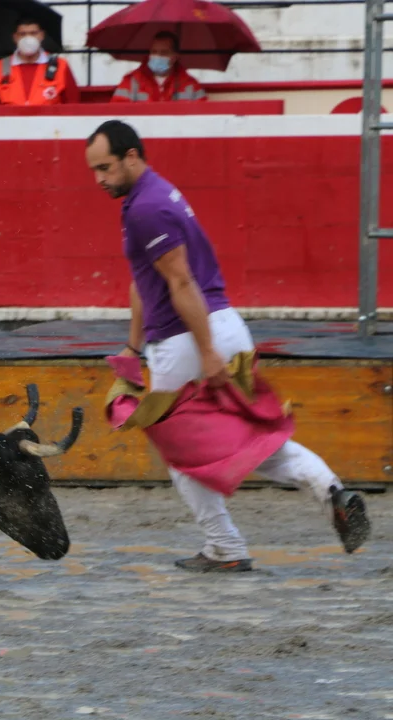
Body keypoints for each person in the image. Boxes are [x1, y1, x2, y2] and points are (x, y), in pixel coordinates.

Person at [84, 119, 370, 572]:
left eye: (105, 167)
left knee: (181, 451)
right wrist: (133, 349)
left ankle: (225, 548)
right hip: (226, 326)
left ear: (131, 157)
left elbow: (180, 282)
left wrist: (205, 352)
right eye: (95, 170)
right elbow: (144, 280)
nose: (99, 179)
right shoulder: (158, 195)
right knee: (254, 437)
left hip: (187, 338)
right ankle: (332, 489)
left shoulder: (145, 208)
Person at [0, 18, 79, 106]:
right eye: (22, 34)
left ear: (42, 35)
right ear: (15, 37)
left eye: (33, 33)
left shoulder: (60, 65)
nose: (28, 38)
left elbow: (73, 105)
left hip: (48, 118)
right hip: (10, 118)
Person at [112, 32, 207, 103]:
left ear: (175, 56)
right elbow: (117, 112)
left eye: (164, 52)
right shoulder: (131, 81)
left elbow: (203, 116)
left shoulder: (191, 85)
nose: (157, 56)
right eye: (154, 52)